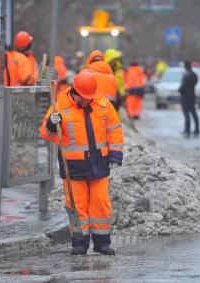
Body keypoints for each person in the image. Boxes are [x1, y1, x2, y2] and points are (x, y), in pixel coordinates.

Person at [40, 71, 123, 256]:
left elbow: (114, 130)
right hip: (73, 166)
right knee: (77, 205)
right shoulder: (60, 105)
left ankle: (102, 243)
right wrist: (52, 126)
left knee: (100, 203)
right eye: (84, 98)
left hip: (99, 163)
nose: (87, 101)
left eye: (89, 98)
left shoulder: (102, 104)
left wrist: (115, 155)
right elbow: (46, 133)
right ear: (74, 92)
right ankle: (79, 243)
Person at [179, 60, 199, 137]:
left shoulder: (187, 75)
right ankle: (196, 129)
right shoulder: (194, 74)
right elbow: (195, 83)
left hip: (185, 96)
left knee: (187, 114)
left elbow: (183, 85)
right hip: (192, 96)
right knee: (193, 113)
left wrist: (180, 90)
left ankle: (187, 130)